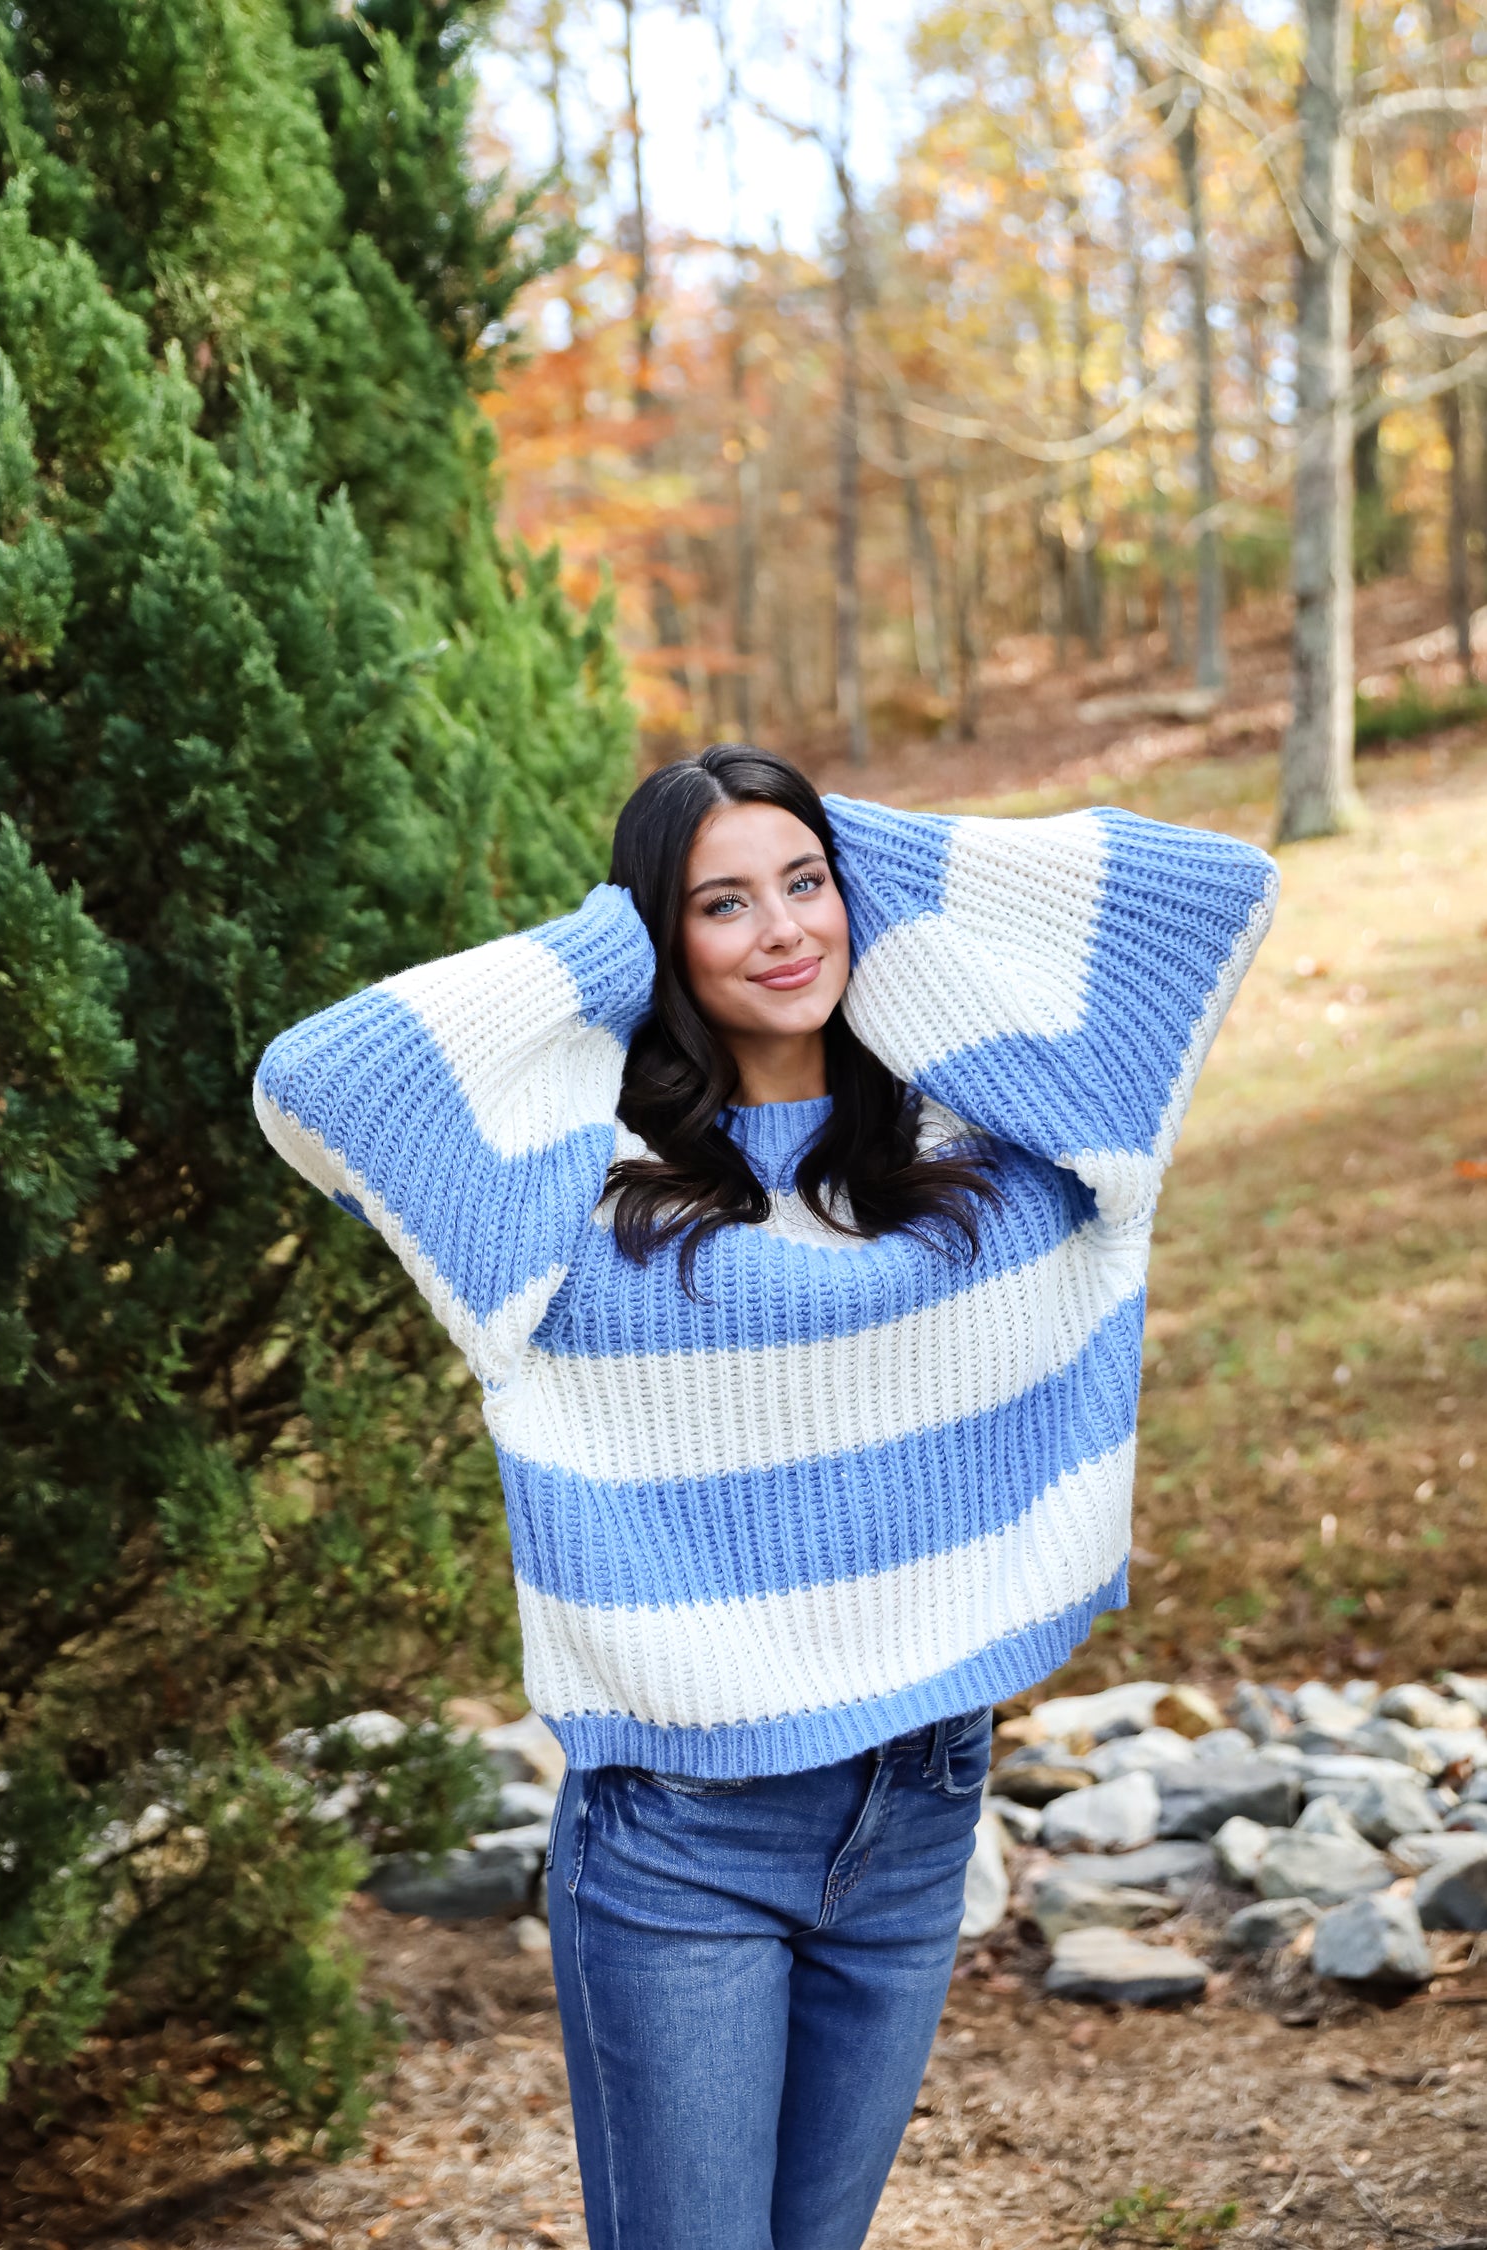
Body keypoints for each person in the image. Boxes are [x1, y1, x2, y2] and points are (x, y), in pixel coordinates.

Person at [254, 743, 1277, 2250]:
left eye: (807, 886)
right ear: (664, 940)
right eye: (723, 907)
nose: (786, 929)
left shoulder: (984, 1163)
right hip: (683, 1835)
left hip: (919, 1800)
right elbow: (319, 1081)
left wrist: (852, 840)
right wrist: (622, 921)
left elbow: (1212, 895)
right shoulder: (564, 1210)